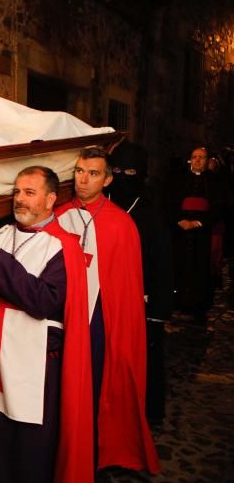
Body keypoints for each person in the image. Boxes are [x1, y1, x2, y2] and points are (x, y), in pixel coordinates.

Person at [0, 166, 93, 483]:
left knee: (24, 457)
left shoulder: (63, 248)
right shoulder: (0, 235)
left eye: (29, 193)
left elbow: (44, 301)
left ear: (50, 199)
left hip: (29, 368)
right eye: (17, 192)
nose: (19, 199)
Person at [55, 147, 160, 475]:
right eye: (79, 171)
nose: (83, 180)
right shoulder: (57, 216)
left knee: (96, 383)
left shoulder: (121, 223)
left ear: (108, 179)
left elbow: (125, 288)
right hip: (61, 314)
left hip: (98, 318)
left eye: (93, 173)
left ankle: (93, 454)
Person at [107, 141, 174, 427]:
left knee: (147, 355)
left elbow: (163, 262)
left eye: (131, 171)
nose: (124, 177)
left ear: (142, 174)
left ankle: (149, 411)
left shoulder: (151, 214)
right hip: (107, 297)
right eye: (118, 170)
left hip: (141, 298)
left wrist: (158, 308)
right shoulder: (102, 204)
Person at [172, 147, 225, 321]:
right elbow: (169, 202)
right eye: (194, 157)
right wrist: (179, 220)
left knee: (200, 267)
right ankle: (178, 302)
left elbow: (219, 206)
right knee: (179, 265)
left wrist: (199, 222)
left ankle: (198, 306)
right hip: (180, 230)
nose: (197, 160)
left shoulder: (216, 182)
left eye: (201, 158)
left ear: (207, 160)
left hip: (203, 232)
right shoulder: (179, 179)